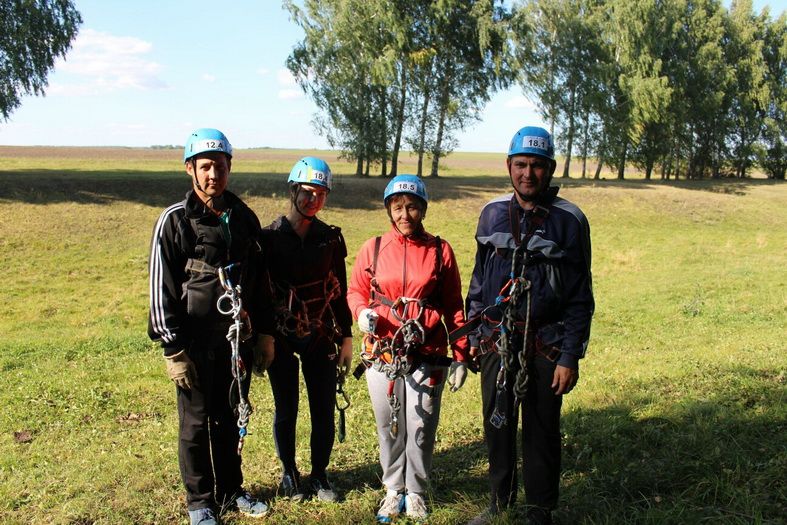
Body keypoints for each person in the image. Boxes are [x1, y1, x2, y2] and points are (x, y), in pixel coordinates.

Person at [464, 126, 594, 525]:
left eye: (538, 165)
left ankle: (539, 509)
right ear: (508, 166)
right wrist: (472, 334)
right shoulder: (491, 213)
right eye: (521, 164)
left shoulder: (569, 221)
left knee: (541, 430)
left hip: (546, 344)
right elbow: (479, 280)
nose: (528, 174)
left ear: (551, 169)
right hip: (496, 342)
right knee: (497, 424)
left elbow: (579, 296)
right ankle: (499, 502)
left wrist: (569, 356)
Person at [148, 128, 274, 525]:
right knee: (195, 422)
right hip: (194, 343)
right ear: (190, 169)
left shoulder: (243, 217)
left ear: (229, 167)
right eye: (204, 166)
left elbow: (260, 282)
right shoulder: (175, 220)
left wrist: (265, 335)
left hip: (236, 341)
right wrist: (173, 348)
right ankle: (200, 502)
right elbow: (162, 287)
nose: (212, 175)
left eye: (219, 166)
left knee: (232, 414)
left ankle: (231, 490)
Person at [347, 175, 470, 523]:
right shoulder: (373, 248)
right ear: (389, 209)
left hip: (426, 352)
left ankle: (415, 491)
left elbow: (453, 305)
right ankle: (392, 490)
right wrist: (362, 312)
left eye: (412, 207)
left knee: (421, 425)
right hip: (383, 354)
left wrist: (460, 355)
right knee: (388, 426)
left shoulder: (439, 250)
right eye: (398, 207)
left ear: (423, 209)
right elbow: (355, 290)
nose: (405, 214)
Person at [258, 156, 354, 503]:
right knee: (286, 407)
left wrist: (346, 336)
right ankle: (289, 473)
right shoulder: (268, 239)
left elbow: (339, 290)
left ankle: (319, 475)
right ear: (293, 190)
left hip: (320, 334)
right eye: (307, 192)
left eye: (320, 193)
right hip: (280, 335)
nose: (313, 199)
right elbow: (259, 294)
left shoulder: (329, 239)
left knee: (323, 407)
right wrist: (262, 337)